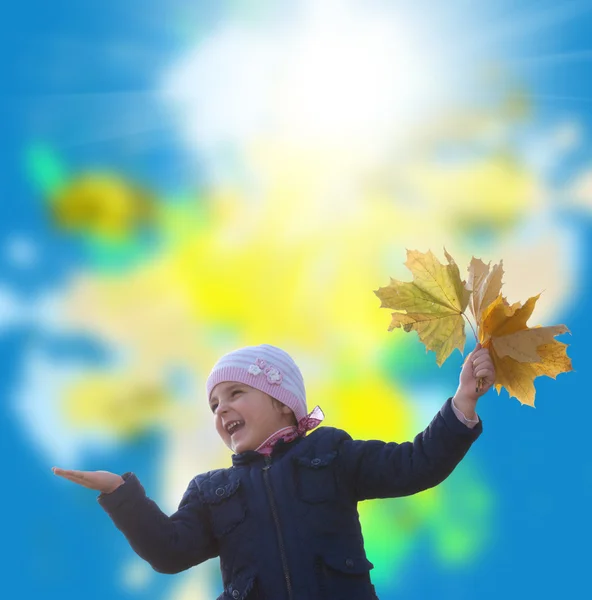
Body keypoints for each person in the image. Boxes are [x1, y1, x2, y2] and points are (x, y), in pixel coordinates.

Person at [53, 342, 495, 600]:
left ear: (283, 402)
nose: (222, 408)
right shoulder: (211, 491)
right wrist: (120, 495)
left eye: (235, 393)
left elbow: (413, 465)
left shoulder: (331, 451)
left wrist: (462, 406)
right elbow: (169, 551)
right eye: (214, 404)